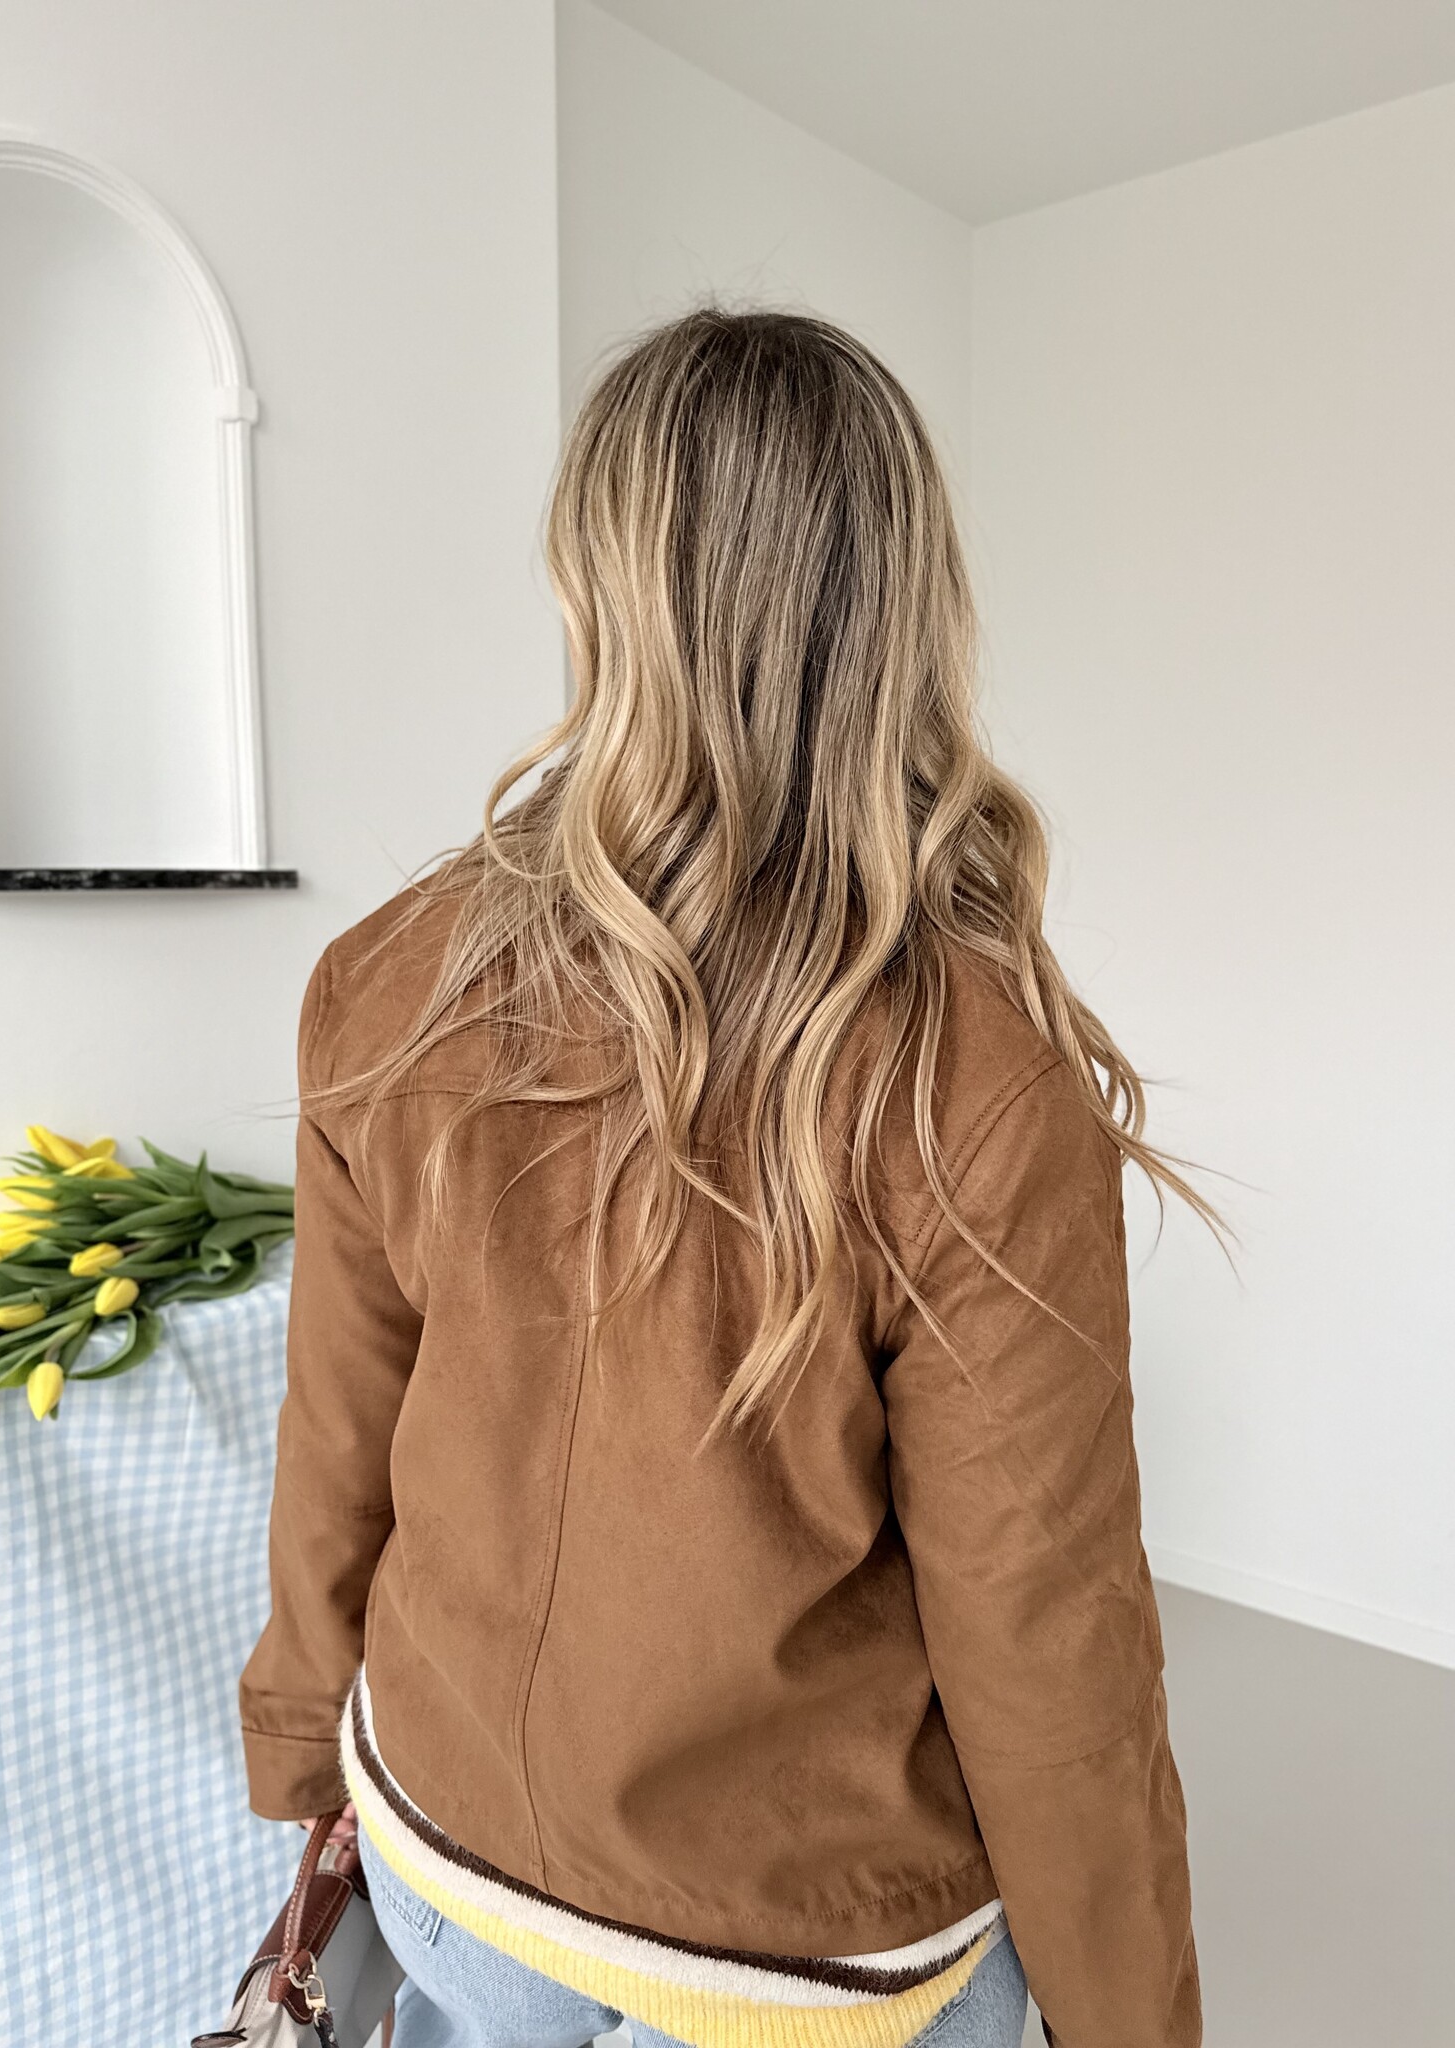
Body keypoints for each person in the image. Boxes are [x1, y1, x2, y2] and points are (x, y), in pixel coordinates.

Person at [240, 309, 1214, 2048]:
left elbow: (338, 1442)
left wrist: (310, 1744)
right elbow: (1048, 1639)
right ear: (906, 613)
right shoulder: (978, 1077)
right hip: (798, 1968)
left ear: (595, 587)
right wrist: (1131, 2016)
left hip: (450, 1867)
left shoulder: (386, 978)